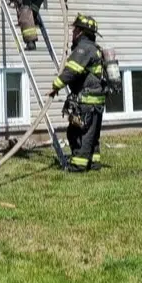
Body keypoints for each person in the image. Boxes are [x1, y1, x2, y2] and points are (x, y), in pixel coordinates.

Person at [49, 13, 108, 171]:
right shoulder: (95, 49)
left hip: (86, 102)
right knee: (92, 135)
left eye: (75, 30)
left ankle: (78, 166)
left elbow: (71, 71)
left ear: (80, 32)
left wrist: (55, 86)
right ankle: (94, 163)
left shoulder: (83, 49)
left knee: (78, 135)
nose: (73, 33)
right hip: (96, 102)